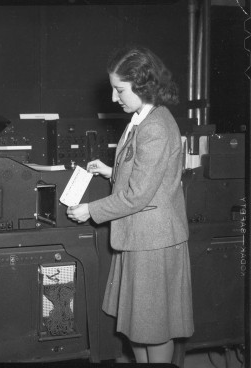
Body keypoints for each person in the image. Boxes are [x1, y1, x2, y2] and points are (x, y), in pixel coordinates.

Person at [66, 45, 194, 363]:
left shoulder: (155, 127)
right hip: (139, 237)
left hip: (154, 241)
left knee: (153, 329)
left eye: (119, 89)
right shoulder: (140, 118)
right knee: (136, 326)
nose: (113, 98)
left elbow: (138, 195)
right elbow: (147, 175)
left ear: (142, 85)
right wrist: (111, 170)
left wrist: (91, 210)